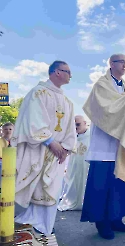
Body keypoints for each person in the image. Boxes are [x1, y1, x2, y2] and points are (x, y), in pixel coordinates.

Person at [81, 53, 125, 240]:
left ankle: (117, 218)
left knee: (119, 185)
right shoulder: (101, 85)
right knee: (101, 186)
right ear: (111, 63)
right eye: (122, 62)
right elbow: (105, 110)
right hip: (103, 146)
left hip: (120, 146)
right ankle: (101, 223)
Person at [12, 60, 76, 235]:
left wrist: (66, 148)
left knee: (53, 188)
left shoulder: (67, 102)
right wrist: (50, 142)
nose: (71, 76)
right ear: (56, 72)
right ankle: (34, 221)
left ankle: (46, 223)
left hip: (58, 155)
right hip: (39, 149)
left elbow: (70, 128)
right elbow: (33, 120)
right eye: (68, 72)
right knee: (37, 186)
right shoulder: (38, 93)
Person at [58, 115, 90, 211]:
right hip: (75, 166)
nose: (76, 127)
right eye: (74, 125)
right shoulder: (73, 137)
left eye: (78, 124)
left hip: (87, 166)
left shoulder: (92, 136)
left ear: (85, 123)